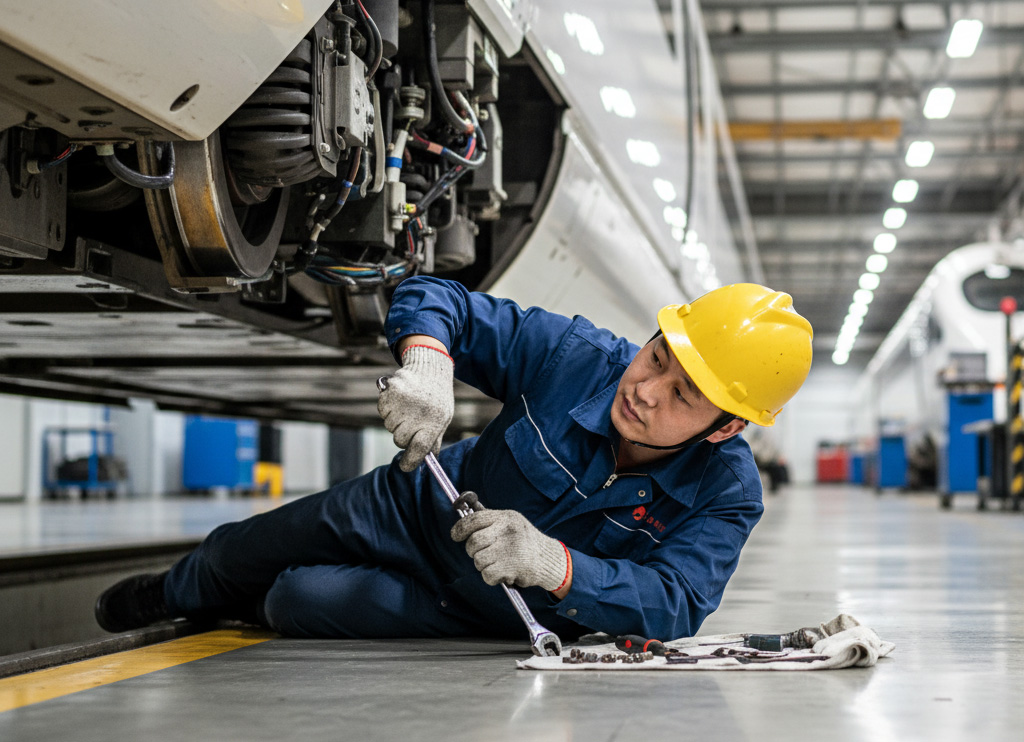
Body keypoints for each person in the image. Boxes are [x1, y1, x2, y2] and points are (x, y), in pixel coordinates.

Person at [95, 277, 813, 642]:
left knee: (295, 600)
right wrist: (429, 363)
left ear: (726, 428)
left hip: (488, 611)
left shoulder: (727, 491)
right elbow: (440, 300)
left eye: (683, 394)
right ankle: (177, 594)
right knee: (244, 549)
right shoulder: (577, 357)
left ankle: (256, 606)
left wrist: (555, 567)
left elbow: (677, 603)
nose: (646, 391)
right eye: (656, 357)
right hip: (409, 506)